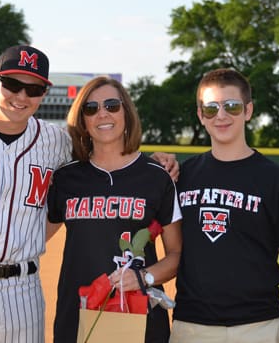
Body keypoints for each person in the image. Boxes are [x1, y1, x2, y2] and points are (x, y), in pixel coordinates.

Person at [0, 47, 179, 343]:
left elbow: (110, 161)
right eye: (12, 84)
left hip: (23, 291)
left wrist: (158, 161)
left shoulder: (54, 142)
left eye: (34, 88)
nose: (22, 96)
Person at [170, 68, 279, 343]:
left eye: (232, 106)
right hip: (191, 326)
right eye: (211, 108)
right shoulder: (183, 176)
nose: (222, 115)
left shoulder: (276, 179)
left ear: (248, 111)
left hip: (258, 327)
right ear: (201, 115)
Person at [46, 76, 183, 343]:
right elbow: (33, 237)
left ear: (127, 113)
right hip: (79, 315)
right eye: (91, 108)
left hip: (139, 318)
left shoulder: (157, 176)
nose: (102, 114)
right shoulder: (66, 178)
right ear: (82, 121)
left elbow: (177, 254)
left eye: (111, 105)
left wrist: (144, 277)